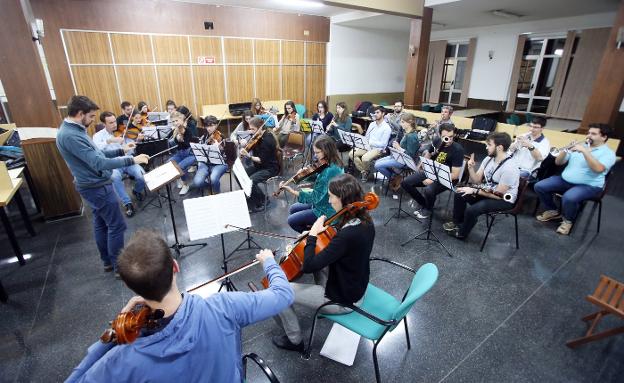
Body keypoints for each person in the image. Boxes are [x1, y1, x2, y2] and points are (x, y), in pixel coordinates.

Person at [65, 230, 294, 382]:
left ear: (131, 287)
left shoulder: (122, 361)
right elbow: (283, 294)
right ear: (175, 267)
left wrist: (115, 334)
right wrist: (270, 263)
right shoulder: (224, 307)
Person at [272, 174, 375, 351]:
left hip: (344, 300)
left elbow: (309, 265)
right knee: (318, 253)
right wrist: (320, 234)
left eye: (331, 196)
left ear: (343, 199)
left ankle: (294, 340)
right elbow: (339, 242)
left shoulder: (347, 235)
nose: (329, 201)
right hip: (356, 284)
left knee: (278, 289)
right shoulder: (365, 221)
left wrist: (312, 235)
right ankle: (320, 303)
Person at [56, 96, 149, 276]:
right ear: (80, 113)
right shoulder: (71, 135)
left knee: (101, 224)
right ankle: (118, 267)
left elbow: (97, 153)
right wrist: (131, 159)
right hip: (95, 185)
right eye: (90, 116)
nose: (92, 121)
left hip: (91, 184)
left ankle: (107, 261)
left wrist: (122, 149)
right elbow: (98, 162)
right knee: (116, 225)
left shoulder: (73, 130)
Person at [534, 123, 615, 235]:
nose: (589, 136)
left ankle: (568, 221)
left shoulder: (608, 153)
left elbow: (598, 169)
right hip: (565, 180)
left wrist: (585, 152)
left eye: (593, 134)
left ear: (604, 137)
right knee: (540, 186)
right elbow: (558, 162)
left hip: (589, 186)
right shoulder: (581, 146)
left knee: (569, 197)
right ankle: (553, 210)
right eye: (589, 133)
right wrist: (565, 150)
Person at [443, 132, 519, 240]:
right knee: (459, 193)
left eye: (489, 145)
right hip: (487, 191)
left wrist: (474, 191)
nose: (486, 147)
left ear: (499, 147)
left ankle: (462, 233)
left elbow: (498, 195)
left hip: (503, 199)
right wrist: (470, 168)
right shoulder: (488, 159)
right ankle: (457, 223)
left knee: (472, 210)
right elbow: (477, 180)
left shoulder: (510, 168)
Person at [279, 136, 344, 233]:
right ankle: (313, 229)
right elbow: (319, 176)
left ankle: (313, 235)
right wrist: (304, 175)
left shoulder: (331, 170)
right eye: (314, 152)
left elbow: (315, 198)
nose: (315, 155)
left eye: (317, 152)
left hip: (327, 209)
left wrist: (292, 191)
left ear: (327, 151)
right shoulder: (330, 162)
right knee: (293, 208)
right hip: (322, 201)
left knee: (291, 221)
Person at [401, 123, 464, 218]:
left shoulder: (458, 150)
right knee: (405, 183)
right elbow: (429, 154)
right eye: (445, 137)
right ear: (439, 134)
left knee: (429, 190)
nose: (449, 140)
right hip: (432, 170)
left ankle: (428, 209)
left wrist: (434, 179)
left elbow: (455, 175)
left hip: (447, 177)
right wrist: (422, 164)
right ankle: (425, 204)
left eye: (451, 136)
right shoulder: (437, 141)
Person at [93, 111, 146, 217]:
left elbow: (130, 150)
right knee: (115, 178)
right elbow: (97, 151)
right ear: (104, 124)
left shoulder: (122, 132)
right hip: (113, 164)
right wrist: (109, 140)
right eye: (111, 123)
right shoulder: (97, 136)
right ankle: (127, 203)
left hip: (127, 161)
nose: (114, 124)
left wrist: (135, 142)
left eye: (115, 121)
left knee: (142, 176)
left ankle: (136, 190)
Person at [240, 117, 279, 212]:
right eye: (250, 129)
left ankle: (264, 199)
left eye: (253, 129)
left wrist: (248, 156)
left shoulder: (267, 140)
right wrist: (244, 144)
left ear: (260, 128)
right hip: (260, 166)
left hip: (270, 168)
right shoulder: (258, 137)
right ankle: (251, 197)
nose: (251, 131)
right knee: (241, 175)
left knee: (251, 181)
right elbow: (251, 147)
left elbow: (261, 160)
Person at [374, 113, 420, 191]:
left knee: (377, 165)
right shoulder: (407, 133)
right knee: (377, 163)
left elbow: (410, 155)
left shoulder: (412, 136)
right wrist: (396, 148)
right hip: (399, 157)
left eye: (402, 122)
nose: (400, 124)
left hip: (405, 161)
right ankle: (395, 176)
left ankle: (393, 177)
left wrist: (398, 147)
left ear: (410, 122)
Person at [349, 105, 391, 182]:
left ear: (383, 113)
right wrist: (360, 143)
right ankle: (364, 171)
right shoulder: (372, 124)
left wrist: (371, 142)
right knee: (352, 153)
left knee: (365, 158)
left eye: (378, 112)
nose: (375, 114)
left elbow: (383, 144)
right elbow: (367, 136)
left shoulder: (386, 128)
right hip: (367, 146)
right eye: (375, 113)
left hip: (378, 149)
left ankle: (365, 172)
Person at [191, 115, 228, 194]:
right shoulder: (204, 137)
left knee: (214, 179)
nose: (209, 128)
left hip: (219, 163)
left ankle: (216, 194)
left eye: (211, 126)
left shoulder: (221, 136)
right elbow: (200, 150)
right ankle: (209, 186)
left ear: (216, 125)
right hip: (205, 163)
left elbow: (226, 153)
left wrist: (219, 148)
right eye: (207, 126)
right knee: (197, 182)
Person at [168, 111, 197, 196]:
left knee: (180, 166)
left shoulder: (188, 130)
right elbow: (173, 144)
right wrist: (176, 139)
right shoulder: (175, 131)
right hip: (180, 153)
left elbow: (188, 144)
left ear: (181, 119)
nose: (175, 123)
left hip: (191, 153)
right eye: (173, 121)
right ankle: (179, 178)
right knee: (170, 163)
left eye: (177, 120)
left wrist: (182, 140)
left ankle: (185, 185)